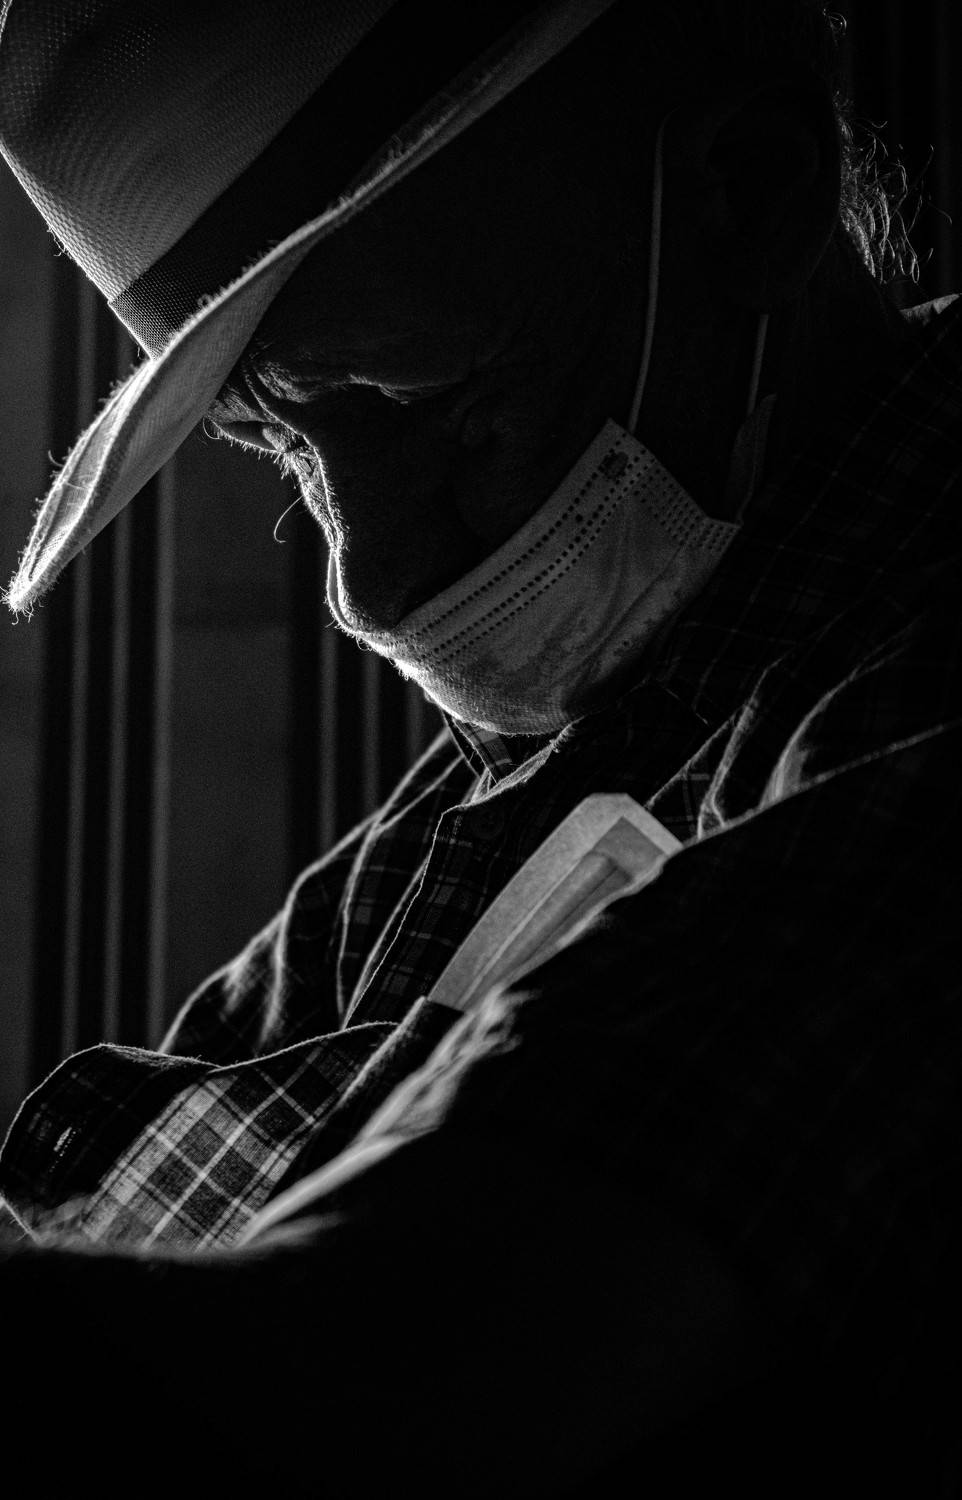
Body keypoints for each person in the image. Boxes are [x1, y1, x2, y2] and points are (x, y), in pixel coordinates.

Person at [0, 1, 959, 1495]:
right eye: (282, 444)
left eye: (417, 400)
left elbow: (400, 1369)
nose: (368, 582)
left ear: (750, 191)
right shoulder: (454, 835)